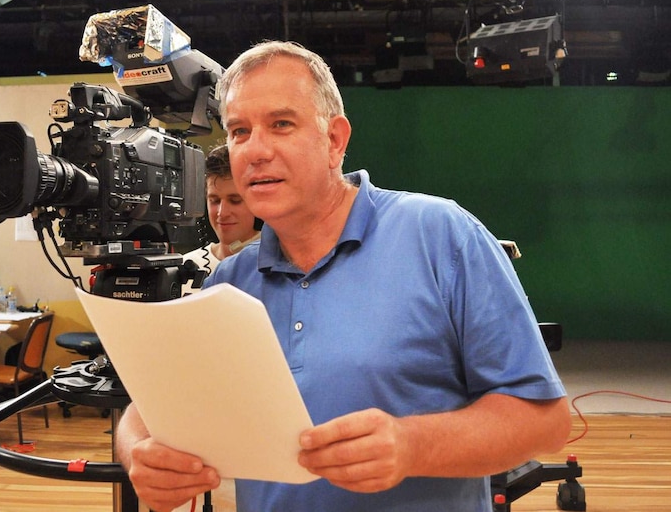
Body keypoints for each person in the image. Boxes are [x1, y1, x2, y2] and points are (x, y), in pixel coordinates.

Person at [115, 41, 571, 512]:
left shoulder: (439, 235)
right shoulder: (229, 284)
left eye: (281, 125)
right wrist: (138, 456)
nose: (255, 151)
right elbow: (144, 414)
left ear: (334, 140)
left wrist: (412, 444)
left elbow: (544, 419)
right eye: (238, 131)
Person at [183, 143, 261, 286]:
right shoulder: (184, 266)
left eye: (235, 201)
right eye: (214, 200)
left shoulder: (279, 268)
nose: (222, 212)